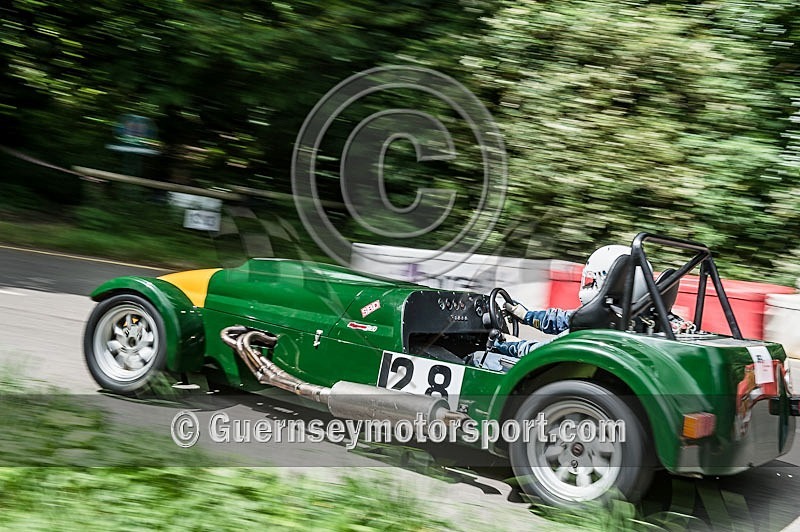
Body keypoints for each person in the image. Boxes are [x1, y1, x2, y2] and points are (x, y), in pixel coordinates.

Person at [473, 245, 652, 370]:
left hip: (547, 371)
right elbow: (563, 320)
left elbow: (540, 352)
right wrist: (526, 315)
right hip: (574, 371)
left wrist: (505, 343)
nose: (587, 287)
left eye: (592, 281)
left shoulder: (594, 326)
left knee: (477, 358)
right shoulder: (630, 320)